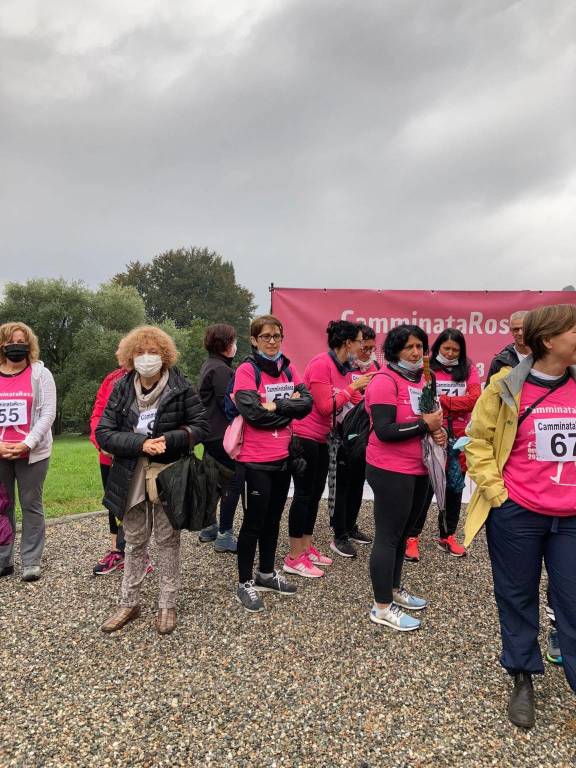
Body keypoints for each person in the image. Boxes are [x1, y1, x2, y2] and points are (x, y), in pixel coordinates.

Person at [464, 303, 576, 729]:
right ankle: (522, 675)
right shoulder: (504, 386)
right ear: (549, 341)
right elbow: (477, 442)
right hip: (519, 514)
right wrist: (497, 494)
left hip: (572, 518)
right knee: (516, 597)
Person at [97, 326, 208, 635]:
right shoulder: (120, 388)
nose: (147, 358)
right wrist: (140, 444)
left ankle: (167, 604)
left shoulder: (181, 387)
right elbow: (103, 432)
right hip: (130, 472)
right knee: (133, 540)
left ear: (165, 355)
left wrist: (169, 439)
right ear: (130, 356)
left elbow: (201, 427)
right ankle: (128, 602)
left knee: (167, 540)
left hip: (168, 472)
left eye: (154, 352)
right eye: (141, 352)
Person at [364, 324, 446, 631]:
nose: (416, 352)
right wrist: (425, 425)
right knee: (387, 536)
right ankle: (381, 607)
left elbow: (431, 415)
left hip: (419, 467)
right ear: (395, 349)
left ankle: (394, 589)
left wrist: (437, 429)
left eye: (420, 347)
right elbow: (384, 431)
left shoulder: (426, 377)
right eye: (409, 346)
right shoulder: (385, 381)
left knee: (403, 533)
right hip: (389, 469)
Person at [232, 314, 312, 612]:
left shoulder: (288, 368)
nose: (271, 341)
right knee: (254, 522)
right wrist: (288, 410)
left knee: (274, 519)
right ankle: (244, 583)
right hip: (255, 461)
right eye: (265, 336)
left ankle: (266, 573)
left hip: (283, 459)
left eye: (277, 336)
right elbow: (253, 413)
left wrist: (277, 405)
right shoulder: (246, 370)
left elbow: (306, 404)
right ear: (253, 340)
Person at [287, 320, 372, 575]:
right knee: (303, 496)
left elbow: (356, 401)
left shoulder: (345, 368)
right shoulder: (321, 364)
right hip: (304, 436)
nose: (361, 347)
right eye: (359, 342)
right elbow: (325, 407)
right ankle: (293, 557)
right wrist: (353, 387)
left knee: (314, 495)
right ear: (348, 343)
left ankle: (307, 547)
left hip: (323, 438)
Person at [404, 329, 481, 561]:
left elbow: (475, 399)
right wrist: (451, 404)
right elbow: (422, 401)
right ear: (437, 347)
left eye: (455, 350)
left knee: (455, 488)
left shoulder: (467, 368)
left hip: (458, 439)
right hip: (432, 435)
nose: (450, 353)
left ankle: (447, 535)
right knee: (425, 488)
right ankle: (412, 536)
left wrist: (441, 402)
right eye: (446, 348)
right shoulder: (425, 369)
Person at [0, 322, 56, 582]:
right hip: (0, 452)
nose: (17, 346)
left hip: (32, 454)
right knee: (2, 506)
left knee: (31, 505)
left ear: (29, 345)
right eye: (12, 342)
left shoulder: (40, 374)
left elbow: (48, 413)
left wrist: (28, 443)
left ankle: (31, 561)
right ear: (3, 345)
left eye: (22, 341)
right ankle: (3, 558)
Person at [330, 324, 379, 558]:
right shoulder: (344, 368)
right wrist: (358, 390)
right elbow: (343, 395)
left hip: (364, 435)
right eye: (363, 346)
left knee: (358, 482)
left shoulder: (377, 368)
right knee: (343, 485)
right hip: (341, 432)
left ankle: (351, 526)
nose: (367, 351)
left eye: (371, 347)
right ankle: (339, 534)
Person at [197, 323, 243, 553]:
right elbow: (230, 405)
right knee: (231, 484)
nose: (235, 345)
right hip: (221, 436)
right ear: (226, 345)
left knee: (212, 481)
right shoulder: (222, 370)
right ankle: (225, 534)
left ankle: (209, 526)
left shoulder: (210, 365)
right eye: (233, 341)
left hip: (208, 434)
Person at [486, 310, 530, 383]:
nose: (520, 333)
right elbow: (489, 393)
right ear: (511, 331)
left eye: (524, 328)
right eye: (516, 329)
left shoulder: (546, 357)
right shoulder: (500, 361)